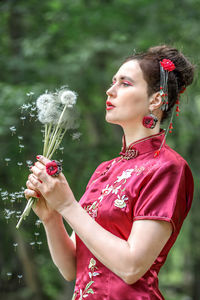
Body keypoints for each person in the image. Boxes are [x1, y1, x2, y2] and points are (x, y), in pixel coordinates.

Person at [25, 45, 194, 300]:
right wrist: (52, 216)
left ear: (156, 99)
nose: (110, 90)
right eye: (112, 82)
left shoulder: (168, 168)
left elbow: (131, 267)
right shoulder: (105, 170)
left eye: (124, 84)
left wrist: (68, 205)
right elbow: (72, 268)